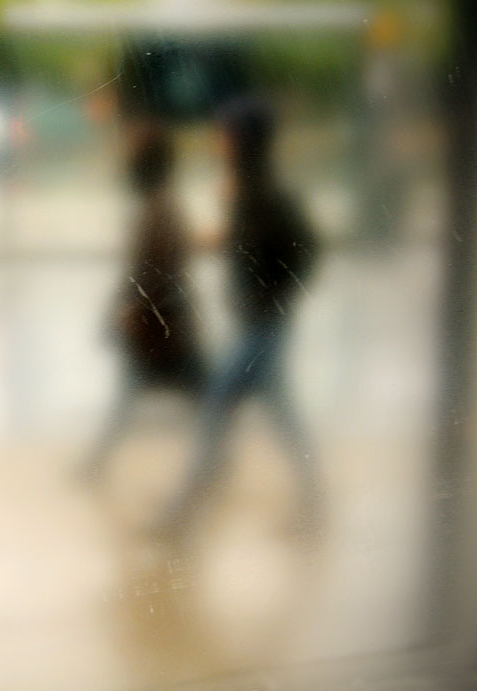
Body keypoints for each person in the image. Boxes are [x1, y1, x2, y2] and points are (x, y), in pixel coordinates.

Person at [158, 97, 322, 535]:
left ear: (242, 140)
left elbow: (302, 249)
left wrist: (271, 295)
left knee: (215, 405)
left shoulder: (262, 194)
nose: (217, 140)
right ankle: (314, 497)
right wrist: (201, 241)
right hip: (261, 325)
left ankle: (184, 507)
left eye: (224, 133)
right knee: (281, 413)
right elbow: (243, 243)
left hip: (262, 329)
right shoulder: (247, 190)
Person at [79, 121, 207, 482]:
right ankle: (95, 464)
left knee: (202, 398)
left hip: (162, 329)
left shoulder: (157, 212)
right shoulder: (160, 208)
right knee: (196, 398)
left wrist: (129, 311)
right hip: (165, 328)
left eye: (133, 158)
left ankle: (96, 465)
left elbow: (154, 274)